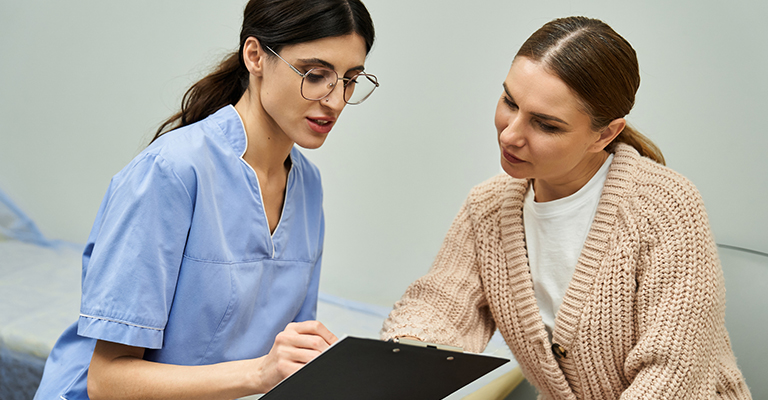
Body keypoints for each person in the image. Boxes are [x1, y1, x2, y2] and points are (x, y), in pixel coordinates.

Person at [381, 16, 751, 399]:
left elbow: (672, 374)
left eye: (545, 125)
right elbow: (441, 305)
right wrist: (410, 347)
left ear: (605, 133)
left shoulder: (666, 206)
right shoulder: (488, 208)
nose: (510, 134)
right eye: (509, 102)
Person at [34, 0, 377, 399]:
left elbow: (289, 360)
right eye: (316, 75)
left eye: (350, 79)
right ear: (255, 57)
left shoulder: (307, 185)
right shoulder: (171, 172)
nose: (335, 101)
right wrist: (259, 373)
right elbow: (107, 381)